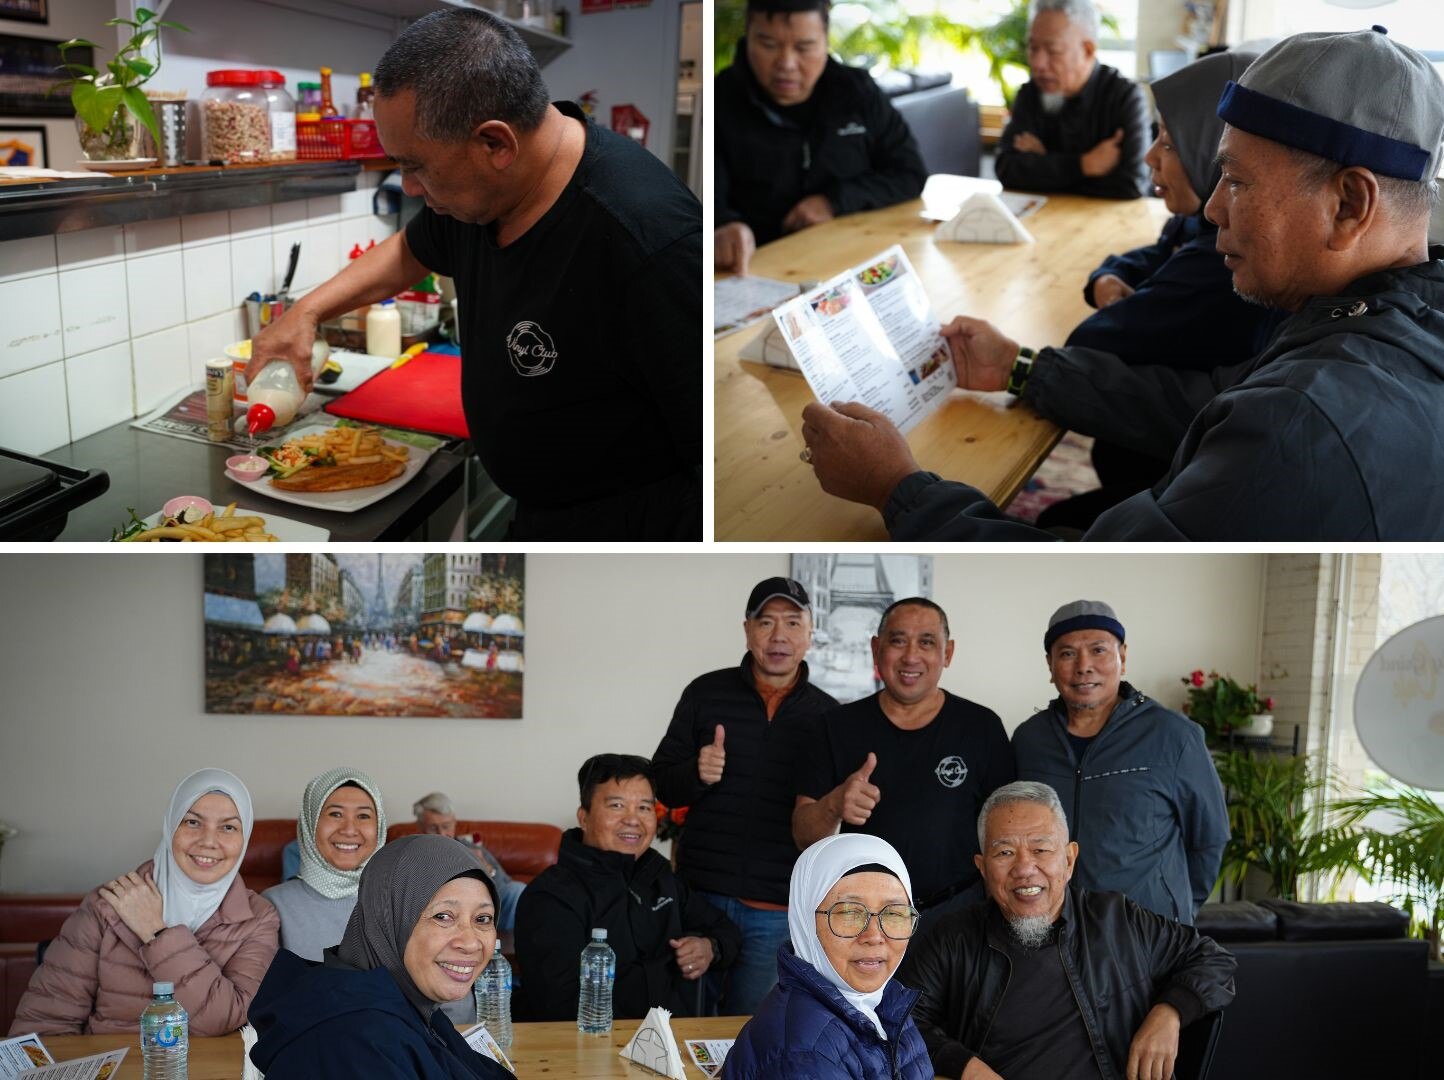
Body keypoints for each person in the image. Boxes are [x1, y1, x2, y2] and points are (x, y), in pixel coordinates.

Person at [799, 27, 1444, 540]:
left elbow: (1074, 577)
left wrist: (895, 487)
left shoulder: (1299, 425)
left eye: (1239, 182)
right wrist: (1022, 369)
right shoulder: (1381, 319)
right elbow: (1202, 399)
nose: (1213, 208)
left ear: (1350, 205)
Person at [245, 8, 701, 540]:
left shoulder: (647, 240)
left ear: (496, 144)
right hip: (538, 510)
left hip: (623, 530)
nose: (409, 188)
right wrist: (306, 313)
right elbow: (409, 252)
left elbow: (706, 455)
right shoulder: (478, 193)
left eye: (416, 166)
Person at [1041, 49, 1288, 530]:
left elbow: (1089, 341)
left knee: (1052, 522)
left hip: (1169, 481)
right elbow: (1151, 254)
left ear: (1210, 150)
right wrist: (1107, 278)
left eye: (1170, 143)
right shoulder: (1196, 228)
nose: (1149, 156)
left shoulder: (1217, 258)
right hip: (1158, 465)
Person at [898, 781, 1236, 1080]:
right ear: (983, 868)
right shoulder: (954, 937)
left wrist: (1169, 1013)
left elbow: (1212, 959)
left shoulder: (1117, 919)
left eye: (1041, 849)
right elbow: (897, 1020)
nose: (1025, 868)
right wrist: (965, 1067)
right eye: (1004, 852)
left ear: (1069, 860)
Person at [651, 576, 839, 1015]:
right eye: (766, 622)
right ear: (747, 629)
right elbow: (659, 781)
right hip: (701, 897)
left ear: (810, 634)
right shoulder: (705, 693)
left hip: (775, 909)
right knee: (683, 1026)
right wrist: (696, 773)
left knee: (751, 1033)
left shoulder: (828, 716)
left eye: (792, 623)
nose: (779, 636)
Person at [793, 599, 1014, 932]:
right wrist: (834, 805)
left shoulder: (981, 727)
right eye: (897, 641)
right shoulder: (835, 726)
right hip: (863, 920)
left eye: (926, 642)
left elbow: (1007, 833)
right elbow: (802, 835)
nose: (911, 656)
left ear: (948, 653)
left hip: (960, 916)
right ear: (876, 648)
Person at [10, 769, 278, 1036]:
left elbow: (225, 1020)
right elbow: (44, 1023)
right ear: (170, 825)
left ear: (244, 839)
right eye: (192, 822)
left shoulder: (259, 918)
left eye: (228, 827)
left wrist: (158, 933)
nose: (208, 841)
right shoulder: (109, 904)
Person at [1012, 601, 1228, 923]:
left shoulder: (1174, 736)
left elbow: (1209, 838)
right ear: (1050, 664)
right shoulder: (1029, 740)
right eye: (1068, 653)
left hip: (1146, 933)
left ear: (1122, 657)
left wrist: (1175, 910)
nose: (1084, 666)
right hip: (1052, 931)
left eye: (1098, 650)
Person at [248, 834, 512, 1079]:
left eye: (482, 919)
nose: (469, 942)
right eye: (443, 916)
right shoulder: (356, 1044)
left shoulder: (406, 1005)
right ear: (387, 919)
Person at [513, 754, 741, 1021]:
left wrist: (709, 947)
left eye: (644, 807)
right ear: (583, 817)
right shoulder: (550, 897)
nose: (633, 819)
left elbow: (727, 931)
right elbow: (557, 1005)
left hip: (672, 1043)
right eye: (617, 805)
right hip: (589, 1048)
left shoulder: (661, 877)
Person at [715, 0, 926, 274]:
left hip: (852, 258)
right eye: (768, 45)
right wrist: (721, 224)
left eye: (804, 47)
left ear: (825, 42)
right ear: (748, 38)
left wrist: (835, 201)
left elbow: (910, 172)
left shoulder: (857, 92)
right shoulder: (721, 100)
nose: (787, 63)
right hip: (757, 268)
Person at [723, 834, 932, 1079]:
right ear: (806, 922)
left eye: (894, 913)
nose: (874, 935)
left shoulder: (884, 1003)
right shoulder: (803, 1054)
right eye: (849, 912)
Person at [994, 0, 1150, 200]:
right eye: (1033, 48)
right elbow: (1006, 169)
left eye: (1053, 51)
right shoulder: (1030, 93)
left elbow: (1132, 184)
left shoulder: (1125, 97)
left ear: (1087, 50)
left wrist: (1045, 163)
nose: (1038, 63)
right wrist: (1085, 165)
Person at [413, 791, 525, 932]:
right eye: (433, 828)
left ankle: (506, 948)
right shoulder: (413, 853)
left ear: (454, 823)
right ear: (420, 827)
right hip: (443, 913)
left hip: (484, 910)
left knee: (517, 890)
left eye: (446, 826)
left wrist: (488, 870)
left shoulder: (472, 848)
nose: (441, 833)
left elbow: (506, 885)